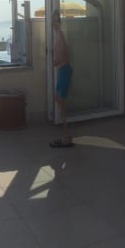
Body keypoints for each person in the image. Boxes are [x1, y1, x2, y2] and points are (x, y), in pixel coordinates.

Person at [50, 11, 75, 148]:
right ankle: (66, 135)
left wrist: (55, 61)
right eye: (52, 21)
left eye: (55, 20)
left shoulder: (60, 35)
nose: (53, 23)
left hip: (64, 70)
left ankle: (67, 136)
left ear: (59, 22)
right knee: (58, 98)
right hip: (62, 70)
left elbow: (64, 53)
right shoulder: (57, 35)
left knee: (60, 99)